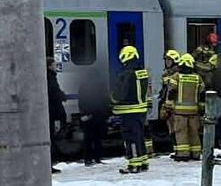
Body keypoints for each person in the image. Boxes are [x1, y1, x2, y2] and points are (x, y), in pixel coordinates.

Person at [111, 45, 151, 174]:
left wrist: (111, 99)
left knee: (130, 139)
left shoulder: (126, 74)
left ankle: (134, 164)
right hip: (141, 110)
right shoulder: (143, 71)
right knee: (139, 136)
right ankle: (143, 162)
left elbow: (119, 95)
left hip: (128, 111)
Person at [168, 52, 202, 161]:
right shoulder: (197, 78)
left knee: (181, 132)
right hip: (194, 112)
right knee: (194, 133)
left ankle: (183, 154)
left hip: (179, 112)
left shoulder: (176, 77)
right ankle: (195, 153)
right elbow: (202, 93)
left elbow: (171, 92)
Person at [77, 70, 109, 166]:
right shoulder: (101, 85)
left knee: (88, 138)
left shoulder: (83, 86)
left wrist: (83, 113)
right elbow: (105, 99)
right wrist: (106, 113)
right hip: (99, 114)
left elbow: (81, 101)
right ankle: (97, 158)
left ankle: (87, 159)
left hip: (88, 115)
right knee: (97, 138)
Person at [47, 58, 67, 173]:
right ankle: (49, 165)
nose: (56, 66)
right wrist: (62, 96)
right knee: (50, 138)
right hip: (52, 112)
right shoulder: (51, 79)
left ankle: (49, 164)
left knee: (51, 138)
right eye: (54, 65)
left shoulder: (49, 78)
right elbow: (54, 94)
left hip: (51, 112)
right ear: (50, 66)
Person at [159, 49, 180, 156]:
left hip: (175, 106)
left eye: (169, 60)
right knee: (171, 128)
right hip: (168, 105)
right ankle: (176, 149)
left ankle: (179, 151)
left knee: (177, 129)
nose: (167, 62)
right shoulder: (167, 73)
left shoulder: (177, 74)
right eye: (166, 60)